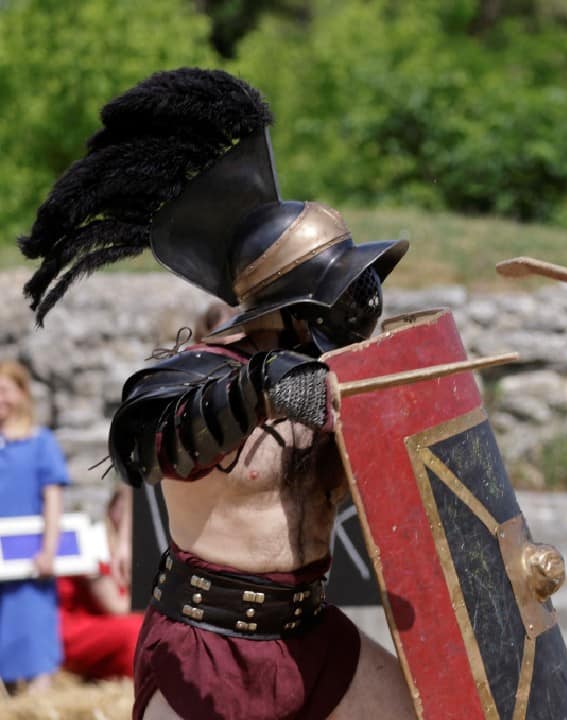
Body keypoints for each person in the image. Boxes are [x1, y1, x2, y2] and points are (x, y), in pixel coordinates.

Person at [19, 69, 414, 719]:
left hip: (312, 633)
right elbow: (142, 446)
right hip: (208, 648)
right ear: (293, 303)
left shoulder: (335, 374)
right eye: (334, 287)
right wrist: (261, 390)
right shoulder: (191, 372)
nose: (355, 302)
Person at [0, 360, 70, 696]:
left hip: (32, 562)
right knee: (7, 651)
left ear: (22, 394)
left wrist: (48, 550)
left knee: (35, 639)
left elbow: (52, 500)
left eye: (4, 391)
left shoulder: (40, 442)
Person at [58, 488, 144, 681]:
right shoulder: (95, 539)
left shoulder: (141, 545)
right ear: (113, 508)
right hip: (78, 627)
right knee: (139, 629)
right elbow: (115, 606)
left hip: (105, 623)